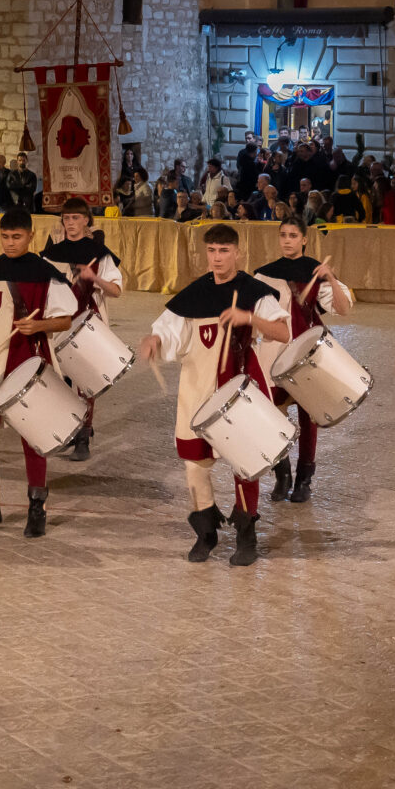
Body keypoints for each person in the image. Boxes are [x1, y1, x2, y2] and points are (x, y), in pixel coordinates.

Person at [140, 223, 292, 566]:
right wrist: (155, 341)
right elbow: (167, 332)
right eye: (212, 251)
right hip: (195, 388)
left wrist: (248, 317)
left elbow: (282, 332)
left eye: (224, 251)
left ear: (237, 252)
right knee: (195, 466)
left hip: (238, 389)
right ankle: (206, 531)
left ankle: (246, 534)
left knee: (244, 465)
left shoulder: (255, 292)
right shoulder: (192, 294)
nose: (217, 258)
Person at [0, 208, 76, 538]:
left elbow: (66, 319)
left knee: (34, 439)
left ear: (30, 236)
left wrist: (39, 324)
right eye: (5, 237)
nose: (10, 243)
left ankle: (37, 508)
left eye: (17, 237)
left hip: (31, 363)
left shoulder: (46, 274)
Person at [252, 216, 353, 504]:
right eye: (283, 235)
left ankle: (304, 480)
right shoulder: (264, 275)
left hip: (309, 357)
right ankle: (281, 473)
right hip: (274, 353)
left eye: (293, 235)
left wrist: (330, 277)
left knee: (309, 419)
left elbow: (343, 309)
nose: (287, 240)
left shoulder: (314, 272)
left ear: (304, 239)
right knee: (272, 417)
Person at [39, 197, 124, 462]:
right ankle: (67, 429)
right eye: (66, 218)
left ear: (87, 220)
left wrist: (94, 278)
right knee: (59, 379)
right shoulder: (52, 254)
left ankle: (83, 437)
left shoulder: (100, 254)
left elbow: (117, 290)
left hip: (89, 325)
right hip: (57, 324)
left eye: (76, 218)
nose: (70, 223)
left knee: (85, 383)